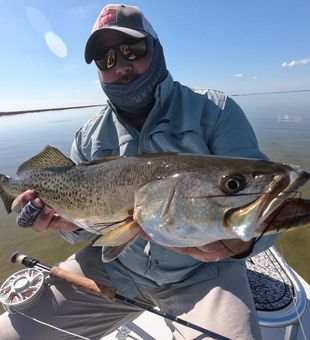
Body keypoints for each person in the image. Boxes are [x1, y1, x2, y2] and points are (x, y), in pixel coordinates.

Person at [0, 4, 277, 339]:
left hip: (203, 273)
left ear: (156, 48)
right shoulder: (88, 136)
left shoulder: (215, 111)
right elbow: (82, 229)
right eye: (107, 59)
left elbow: (267, 207)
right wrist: (65, 225)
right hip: (111, 269)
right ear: (99, 71)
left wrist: (238, 245)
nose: (122, 65)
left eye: (132, 49)